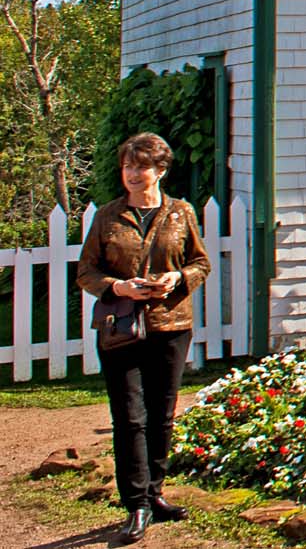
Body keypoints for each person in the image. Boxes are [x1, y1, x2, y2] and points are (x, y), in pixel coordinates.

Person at [76, 133, 212, 546]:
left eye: (142, 167)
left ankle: (155, 493)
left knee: (162, 413)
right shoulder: (108, 216)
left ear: (161, 170)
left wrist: (179, 278)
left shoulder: (180, 213)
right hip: (122, 329)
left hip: (171, 326)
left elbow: (200, 261)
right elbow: (87, 272)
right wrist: (119, 288)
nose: (133, 174)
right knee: (129, 417)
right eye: (128, 166)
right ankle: (135, 503)